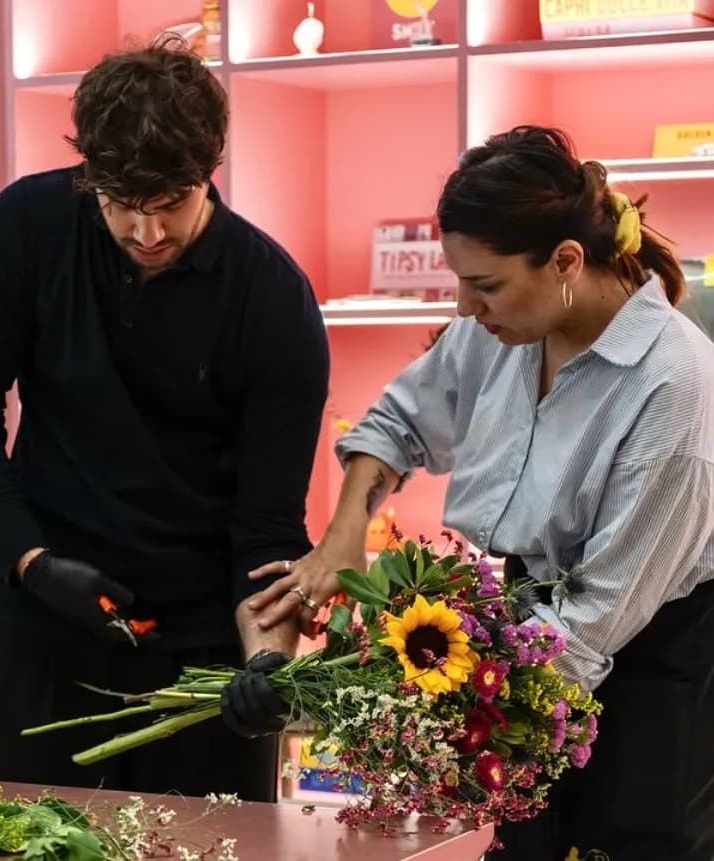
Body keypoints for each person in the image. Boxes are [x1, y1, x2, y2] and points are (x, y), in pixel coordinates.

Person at [245, 126, 714, 859]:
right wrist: (343, 536)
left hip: (647, 664)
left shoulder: (673, 383)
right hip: (529, 640)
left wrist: (380, 688)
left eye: (484, 284)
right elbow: (396, 423)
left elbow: (588, 626)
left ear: (565, 261)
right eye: (458, 281)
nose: (464, 308)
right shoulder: (499, 331)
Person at [0, 37, 329, 800]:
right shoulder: (27, 228)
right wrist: (31, 561)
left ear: (209, 173)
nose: (146, 233)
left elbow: (266, 525)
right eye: (121, 203)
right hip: (42, 629)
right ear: (88, 171)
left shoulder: (272, 299)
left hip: (204, 658)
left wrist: (267, 665)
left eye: (170, 206)